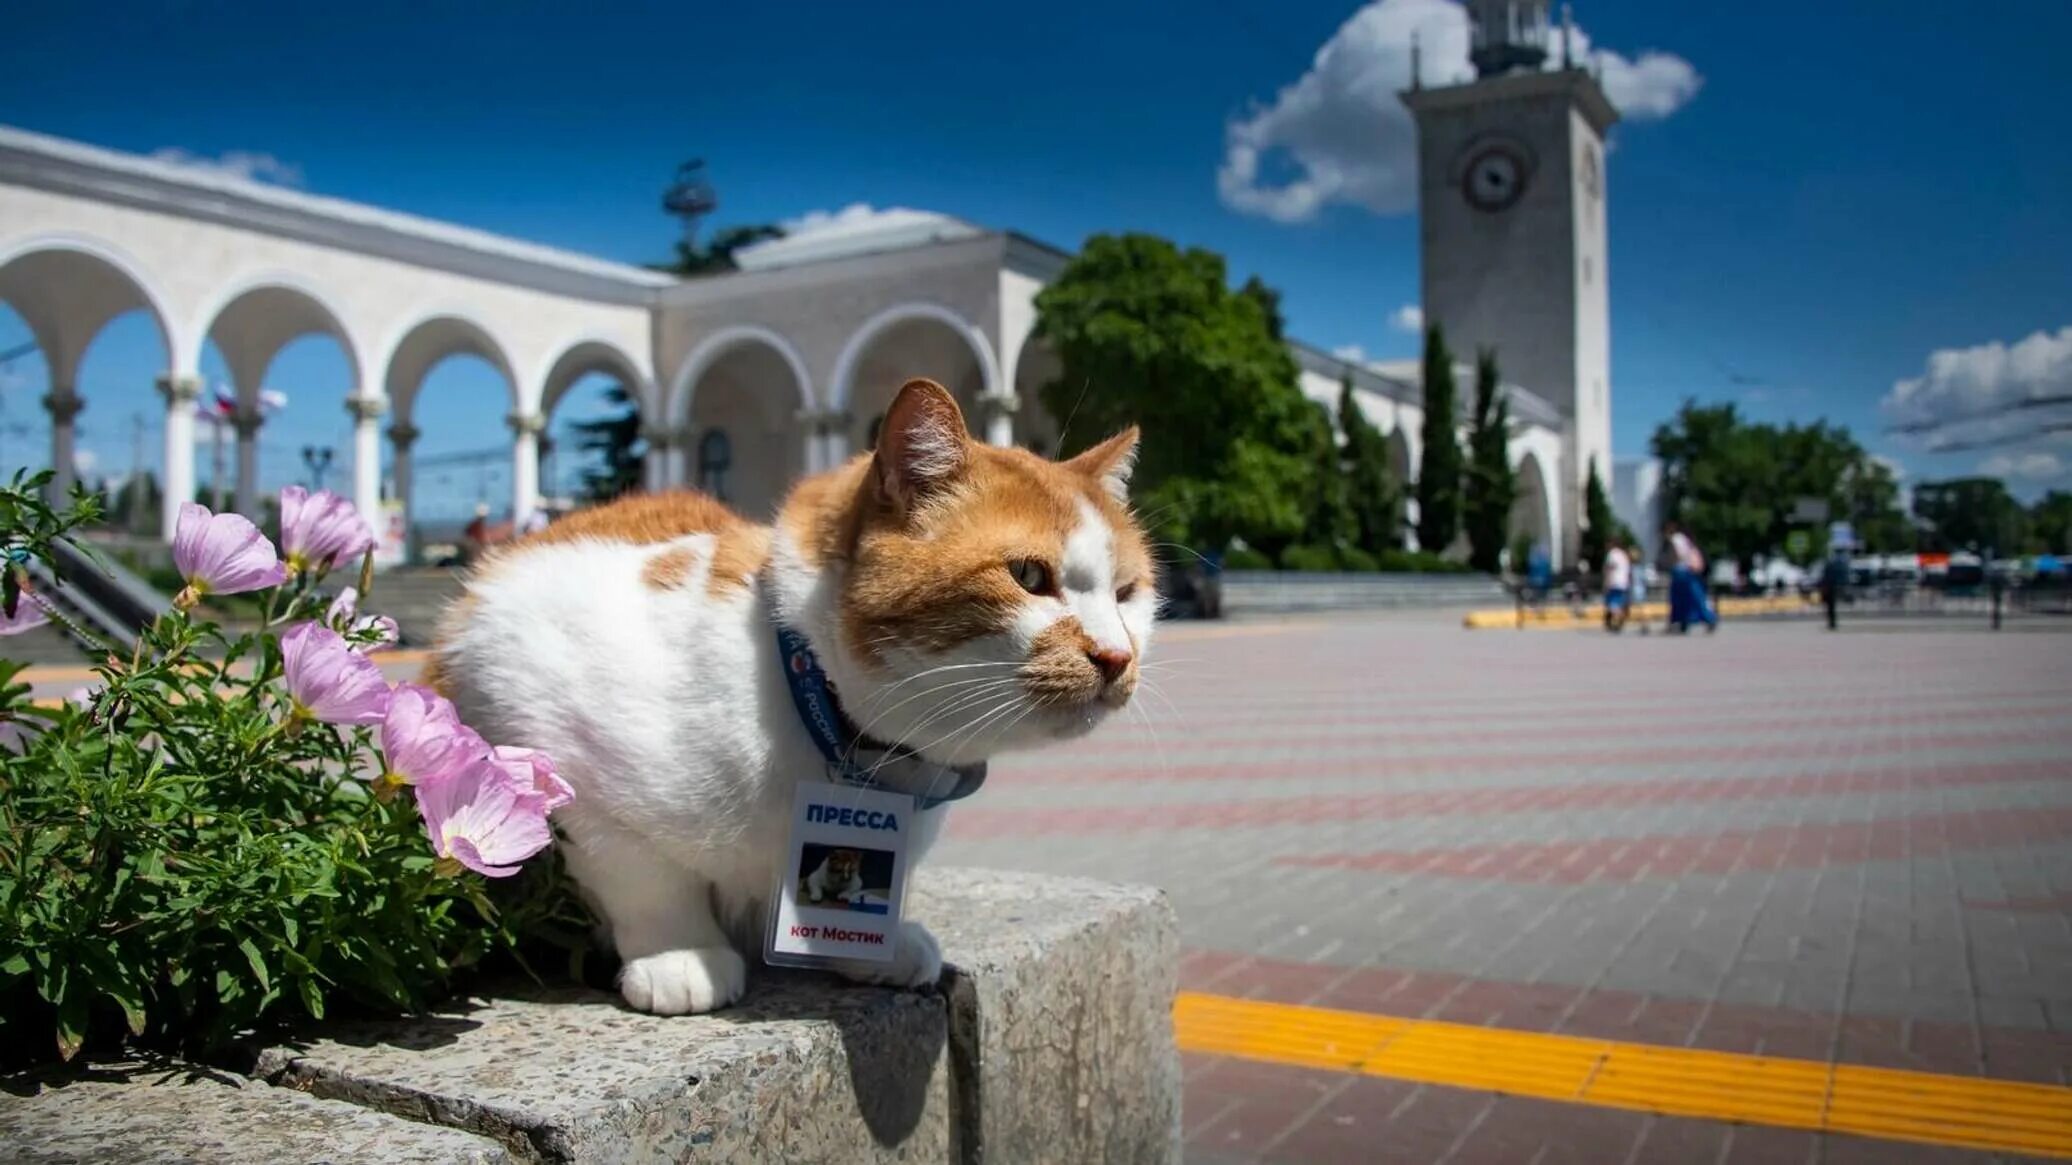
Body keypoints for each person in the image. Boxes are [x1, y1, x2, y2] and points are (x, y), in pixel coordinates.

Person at [1664, 520, 1718, 634]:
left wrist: (1667, 564)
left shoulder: (1674, 539)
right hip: (1688, 570)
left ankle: (1681, 621)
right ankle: (1705, 618)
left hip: (1680, 570)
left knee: (1680, 598)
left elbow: (1676, 556)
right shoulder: (1684, 539)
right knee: (1694, 596)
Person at [1602, 537, 1632, 632]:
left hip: (1614, 581)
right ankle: (1615, 619)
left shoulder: (1612, 554)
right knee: (1618, 601)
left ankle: (1620, 616)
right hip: (1623, 582)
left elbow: (1610, 568)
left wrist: (1606, 582)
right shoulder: (1624, 555)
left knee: (1612, 603)